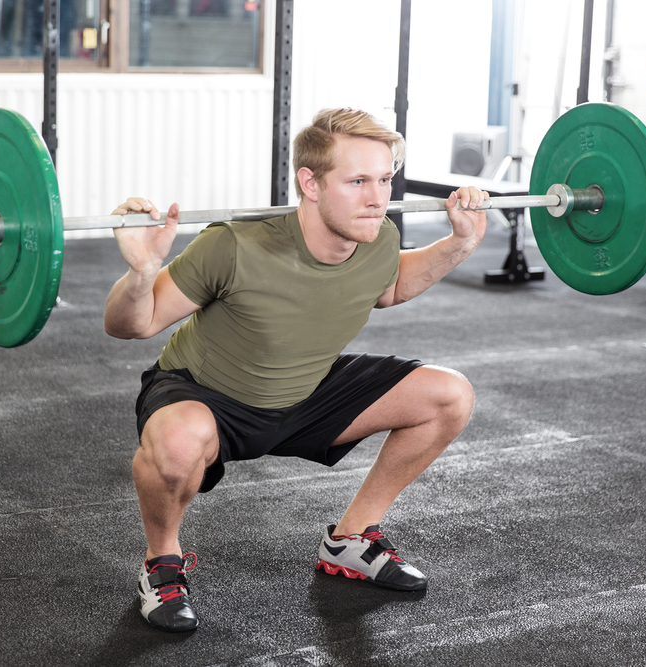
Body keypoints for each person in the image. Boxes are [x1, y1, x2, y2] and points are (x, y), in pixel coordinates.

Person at [104, 108, 488, 632]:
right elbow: (133, 324)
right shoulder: (234, 245)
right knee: (177, 441)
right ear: (310, 183)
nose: (377, 197)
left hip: (306, 394)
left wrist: (460, 243)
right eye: (357, 181)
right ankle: (162, 562)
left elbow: (391, 286)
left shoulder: (378, 240)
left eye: (383, 179)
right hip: (208, 398)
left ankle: (350, 540)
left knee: (449, 395)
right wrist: (142, 273)